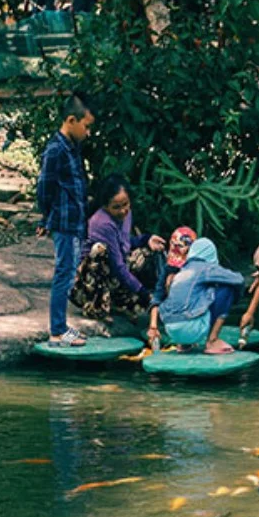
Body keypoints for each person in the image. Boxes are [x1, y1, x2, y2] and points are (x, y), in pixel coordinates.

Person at [69, 175, 168, 340]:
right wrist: (144, 293)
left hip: (114, 275)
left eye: (126, 205)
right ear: (105, 206)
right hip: (89, 284)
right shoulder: (101, 223)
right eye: (117, 207)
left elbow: (125, 241)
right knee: (99, 250)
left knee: (147, 252)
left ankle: (116, 302)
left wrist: (146, 239)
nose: (123, 210)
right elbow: (118, 267)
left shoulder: (125, 214)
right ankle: (95, 305)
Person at [36, 93, 95, 347]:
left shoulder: (72, 148)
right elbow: (44, 187)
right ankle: (57, 330)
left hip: (74, 221)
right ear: (71, 120)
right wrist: (46, 217)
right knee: (63, 272)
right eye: (87, 126)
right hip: (63, 222)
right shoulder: (56, 150)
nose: (88, 132)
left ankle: (62, 326)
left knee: (69, 272)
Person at [158, 237, 244, 354]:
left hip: (170, 330)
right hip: (190, 328)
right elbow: (238, 279)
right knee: (227, 288)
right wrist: (237, 298)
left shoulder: (181, 271)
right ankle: (212, 341)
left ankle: (183, 345)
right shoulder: (206, 268)